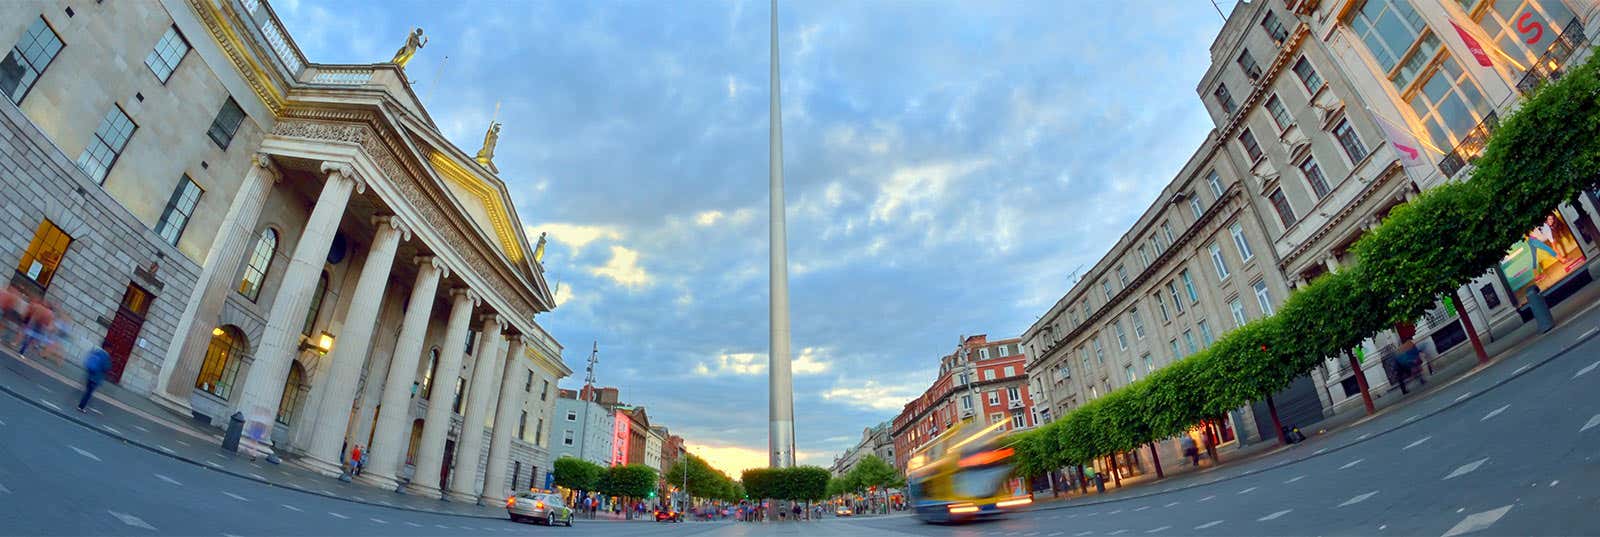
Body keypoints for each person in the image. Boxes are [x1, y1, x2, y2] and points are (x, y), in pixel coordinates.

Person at [78, 345, 111, 412]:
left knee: (88, 391)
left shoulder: (97, 351)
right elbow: (106, 367)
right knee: (89, 393)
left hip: (90, 374)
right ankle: (81, 406)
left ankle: (82, 404)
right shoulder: (105, 356)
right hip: (96, 377)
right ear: (108, 349)